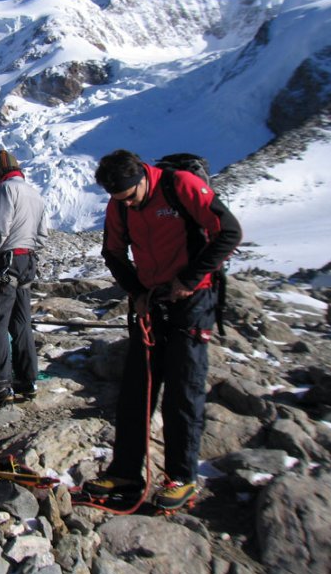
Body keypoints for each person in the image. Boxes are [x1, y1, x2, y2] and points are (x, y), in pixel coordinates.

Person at [90, 149, 242, 511]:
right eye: (118, 199)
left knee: (183, 386)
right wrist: (138, 292)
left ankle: (182, 476)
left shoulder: (180, 186)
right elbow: (113, 252)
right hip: (153, 299)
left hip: (194, 299)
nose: (125, 204)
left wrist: (190, 279)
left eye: (129, 196)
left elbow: (229, 231)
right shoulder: (120, 204)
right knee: (136, 387)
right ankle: (125, 472)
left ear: (143, 177)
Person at [0, 150, 48, 405]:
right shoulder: (34, 193)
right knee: (21, 322)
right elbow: (43, 234)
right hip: (28, 260)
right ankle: (28, 380)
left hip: (7, 261)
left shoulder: (6, 189)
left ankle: (0, 384)